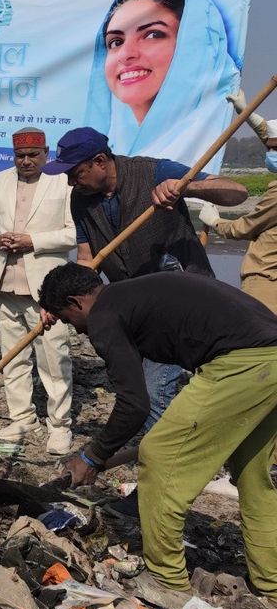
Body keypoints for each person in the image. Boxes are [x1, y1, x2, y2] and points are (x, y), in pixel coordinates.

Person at [39, 263, 277, 609]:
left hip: (241, 363)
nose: (74, 330)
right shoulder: (131, 293)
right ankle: (271, 583)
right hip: (271, 353)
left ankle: (168, 582)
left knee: (159, 455)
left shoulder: (104, 316)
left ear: (76, 302)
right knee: (252, 475)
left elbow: (134, 404)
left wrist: (92, 455)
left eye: (66, 319)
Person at [42, 126, 247, 516]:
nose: (70, 180)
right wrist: (60, 301)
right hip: (134, 315)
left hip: (182, 313)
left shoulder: (154, 172)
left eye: (75, 171)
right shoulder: (80, 200)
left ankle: (149, 496)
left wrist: (186, 188)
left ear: (100, 161)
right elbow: (88, 263)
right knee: (155, 399)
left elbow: (237, 193)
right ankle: (162, 476)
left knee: (152, 397)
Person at [83, 0, 240, 163]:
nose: (126, 54)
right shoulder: (101, 152)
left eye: (152, 34)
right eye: (115, 42)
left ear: (193, 45)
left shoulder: (203, 145)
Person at [0, 129, 75, 454]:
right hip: (6, 284)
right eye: (20, 156)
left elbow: (73, 234)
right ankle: (22, 418)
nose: (26, 161)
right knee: (13, 359)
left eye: (33, 155)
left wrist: (32, 240)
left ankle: (60, 426)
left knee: (54, 359)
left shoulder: (63, 182)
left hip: (47, 290)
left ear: (45, 153)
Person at [200, 112, 277, 313]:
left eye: (274, 149)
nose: (270, 153)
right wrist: (248, 114)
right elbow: (271, 136)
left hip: (266, 280)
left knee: (262, 337)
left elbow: (245, 228)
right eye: (268, 148)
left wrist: (216, 222)